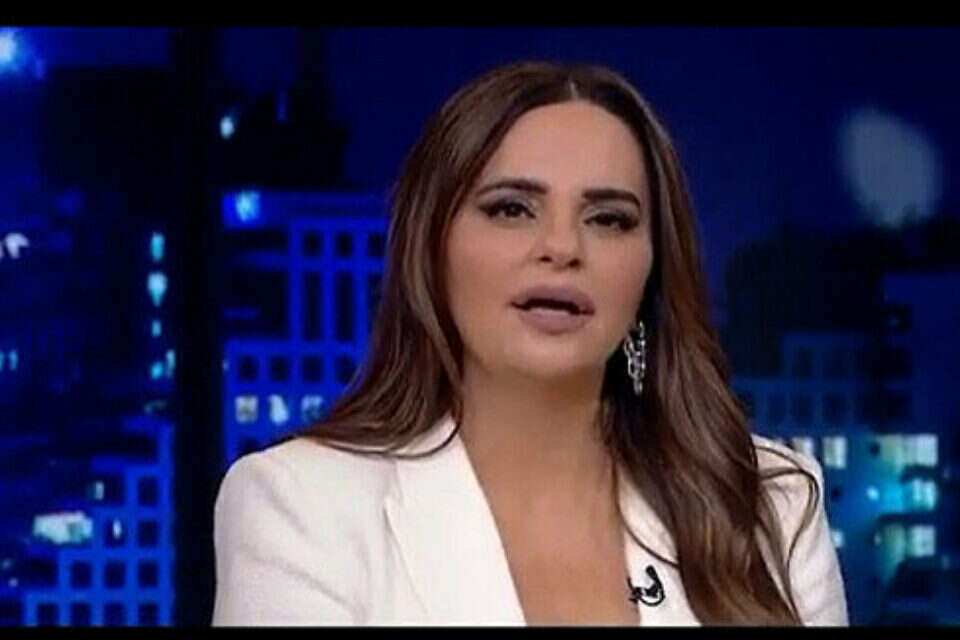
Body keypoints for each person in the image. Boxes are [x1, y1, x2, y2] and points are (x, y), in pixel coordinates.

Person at [211, 60, 849, 626]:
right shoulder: (302, 505)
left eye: (608, 219)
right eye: (511, 209)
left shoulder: (771, 505)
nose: (563, 248)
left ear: (651, 270)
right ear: (432, 248)